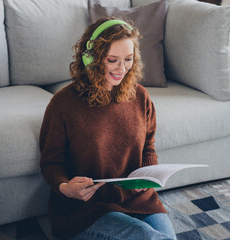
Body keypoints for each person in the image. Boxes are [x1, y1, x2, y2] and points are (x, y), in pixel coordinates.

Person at [39, 17, 177, 240]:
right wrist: (65, 187)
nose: (122, 69)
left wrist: (149, 174)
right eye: (112, 60)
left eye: (128, 59)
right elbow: (50, 162)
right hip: (86, 210)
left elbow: (148, 146)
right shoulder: (63, 104)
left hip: (138, 200)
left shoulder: (140, 96)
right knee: (149, 237)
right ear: (91, 58)